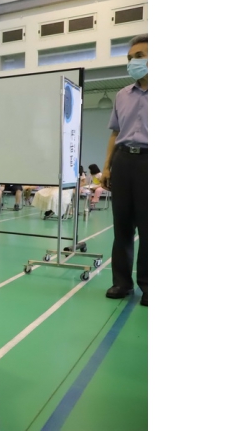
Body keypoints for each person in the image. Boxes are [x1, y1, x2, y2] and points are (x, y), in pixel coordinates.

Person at [102, 34, 148, 307]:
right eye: (131, 58)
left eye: (140, 56)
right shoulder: (122, 95)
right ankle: (122, 282)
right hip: (123, 161)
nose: (134, 62)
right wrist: (106, 166)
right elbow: (114, 133)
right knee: (122, 227)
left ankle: (149, 285)